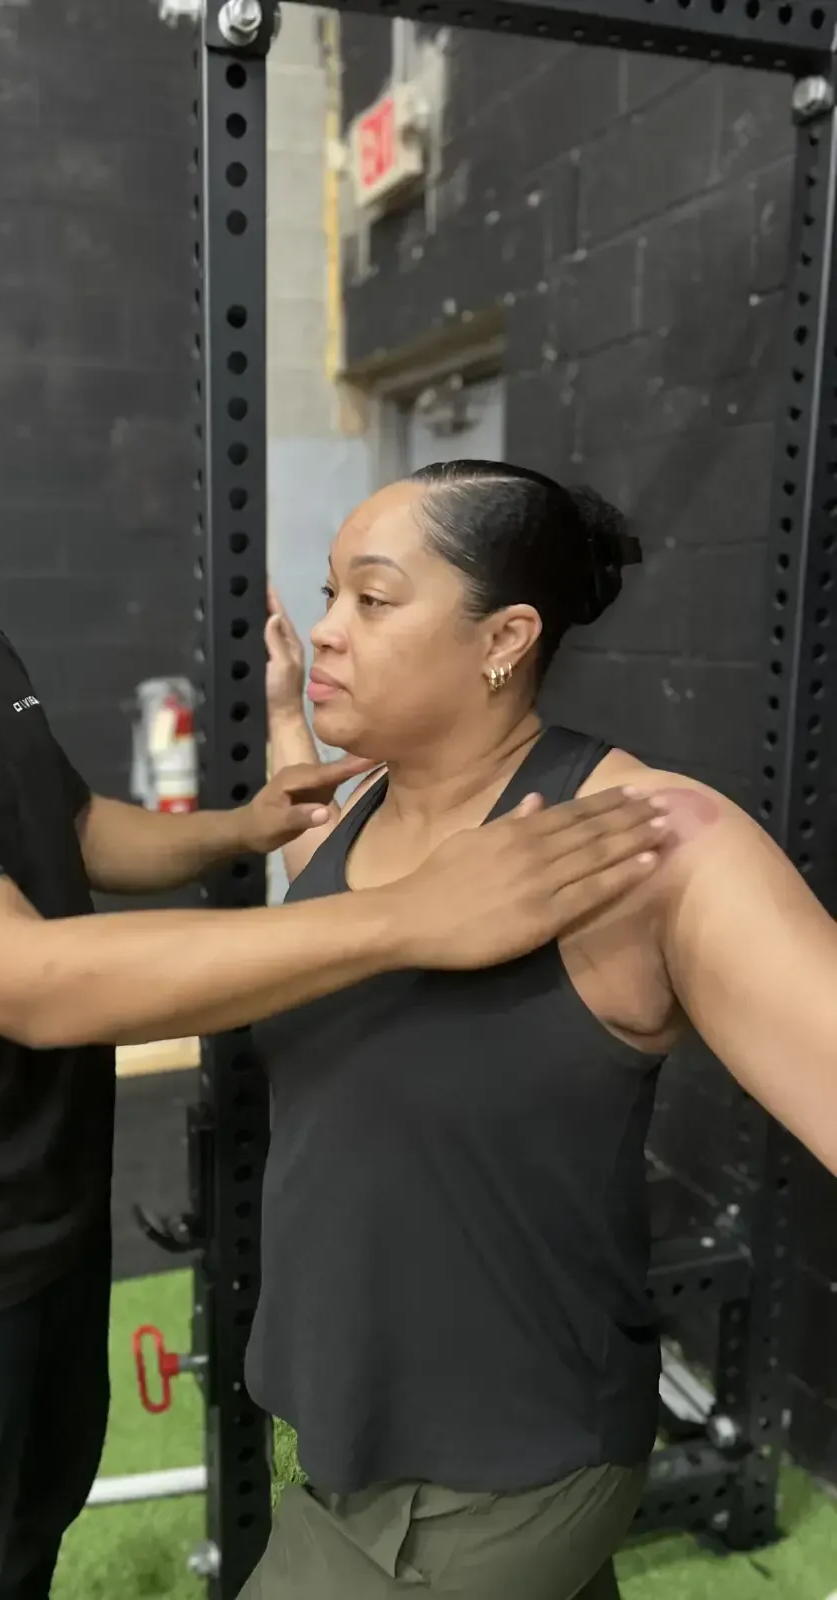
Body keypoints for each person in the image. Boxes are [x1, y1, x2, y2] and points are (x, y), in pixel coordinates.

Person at [0, 265, 668, 1600]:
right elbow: (22, 976)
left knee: (25, 1540)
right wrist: (410, 916)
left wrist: (242, 826)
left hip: (50, 1214)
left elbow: (67, 828)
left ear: (508, 639)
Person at [244, 459, 837, 1600]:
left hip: (484, 1481)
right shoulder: (368, 806)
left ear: (505, 639)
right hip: (348, 1436)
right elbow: (326, 896)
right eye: (327, 595)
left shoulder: (649, 838)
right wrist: (284, 722)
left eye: (372, 598)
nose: (327, 630)